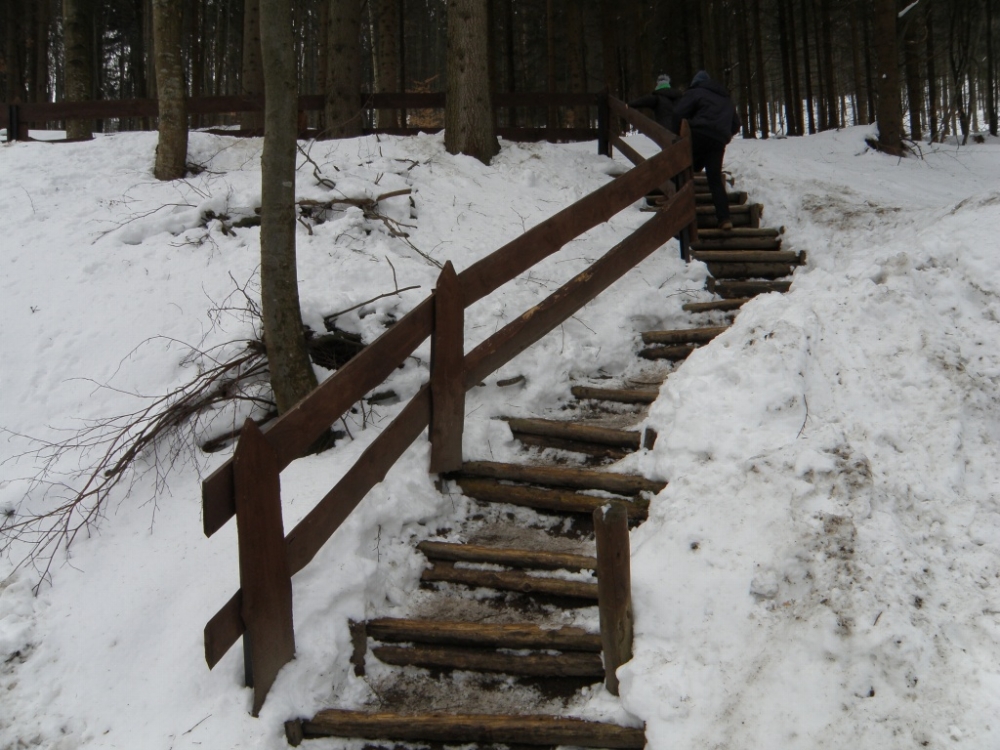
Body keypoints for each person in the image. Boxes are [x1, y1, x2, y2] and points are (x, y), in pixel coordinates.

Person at [672, 70, 741, 230]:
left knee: (681, 168)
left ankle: (676, 207)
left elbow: (678, 113)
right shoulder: (725, 99)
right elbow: (736, 125)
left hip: (698, 135)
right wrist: (722, 133)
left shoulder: (695, 92)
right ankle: (724, 219)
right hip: (718, 142)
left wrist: (677, 136)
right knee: (715, 179)